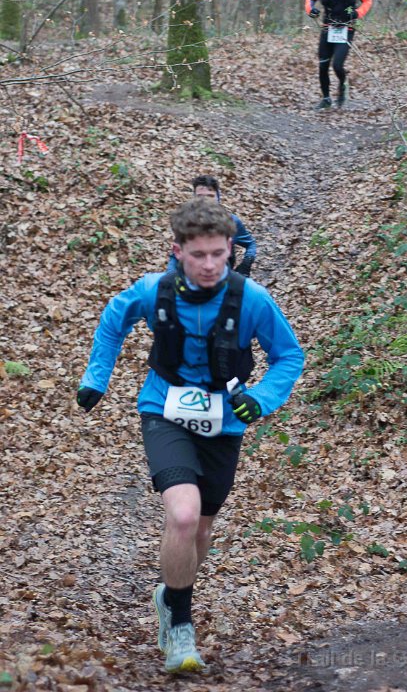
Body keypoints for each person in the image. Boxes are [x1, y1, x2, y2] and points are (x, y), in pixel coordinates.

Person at [77, 198, 304, 674]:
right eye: (198, 254)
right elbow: (113, 321)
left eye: (218, 254)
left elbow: (288, 356)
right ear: (178, 251)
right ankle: (181, 629)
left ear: (230, 250)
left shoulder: (252, 299)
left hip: (225, 418)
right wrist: (97, 377)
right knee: (182, 515)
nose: (209, 265)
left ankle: (171, 594)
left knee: (200, 529)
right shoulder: (152, 290)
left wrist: (261, 398)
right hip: (165, 408)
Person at [166, 175, 257, 277]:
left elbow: (251, 244)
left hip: (223, 278)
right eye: (200, 196)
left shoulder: (232, 221)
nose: (206, 201)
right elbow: (175, 255)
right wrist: (170, 276)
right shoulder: (187, 222)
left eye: (210, 196)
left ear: (218, 197)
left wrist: (247, 262)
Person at [305, 0, 372, 109]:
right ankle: (326, 99)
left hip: (346, 29)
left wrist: (358, 13)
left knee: (337, 65)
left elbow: (367, 1)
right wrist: (311, 10)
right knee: (323, 65)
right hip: (328, 28)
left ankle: (342, 84)